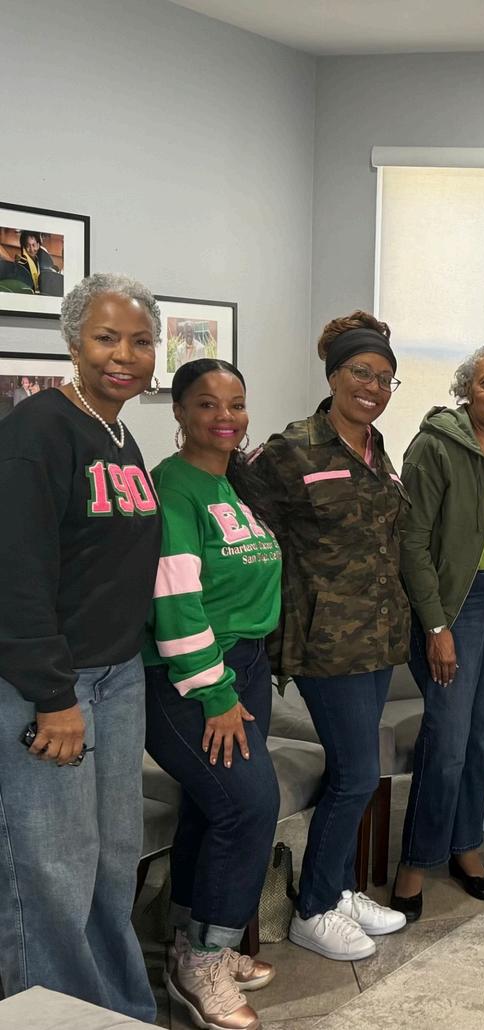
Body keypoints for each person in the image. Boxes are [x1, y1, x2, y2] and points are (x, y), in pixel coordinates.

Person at [0, 273, 162, 1020]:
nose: (124, 355)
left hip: (117, 678)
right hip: (52, 687)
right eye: (106, 338)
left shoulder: (121, 435)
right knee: (51, 872)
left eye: (140, 341)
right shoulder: (37, 431)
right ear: (73, 344)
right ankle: (51, 1015)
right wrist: (53, 695)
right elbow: (16, 574)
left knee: (109, 860)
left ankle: (117, 1008)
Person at [246, 311, 409, 960]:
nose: (373, 387)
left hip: (378, 640)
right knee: (357, 775)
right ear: (334, 375)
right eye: (361, 372)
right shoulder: (290, 451)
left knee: (353, 771)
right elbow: (242, 535)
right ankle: (312, 907)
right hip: (325, 644)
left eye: (385, 378)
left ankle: (338, 890)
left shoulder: (376, 449)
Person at [143, 359, 283, 1030]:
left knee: (211, 807)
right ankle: (203, 964)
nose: (225, 416)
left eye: (236, 403)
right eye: (207, 404)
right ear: (179, 411)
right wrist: (216, 692)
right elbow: (176, 603)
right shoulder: (173, 489)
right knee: (250, 806)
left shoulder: (233, 483)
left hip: (245, 667)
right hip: (193, 679)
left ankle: (188, 941)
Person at [391, 343, 484, 920]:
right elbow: (411, 542)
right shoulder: (435, 446)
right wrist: (436, 624)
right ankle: (415, 862)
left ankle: (465, 846)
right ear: (466, 389)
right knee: (447, 740)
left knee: (479, 736)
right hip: (458, 603)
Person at [0, 230, 64, 296]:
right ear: (24, 247)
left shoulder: (44, 260)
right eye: (28, 246)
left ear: (38, 245)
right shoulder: (20, 268)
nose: (31, 249)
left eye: (34, 245)